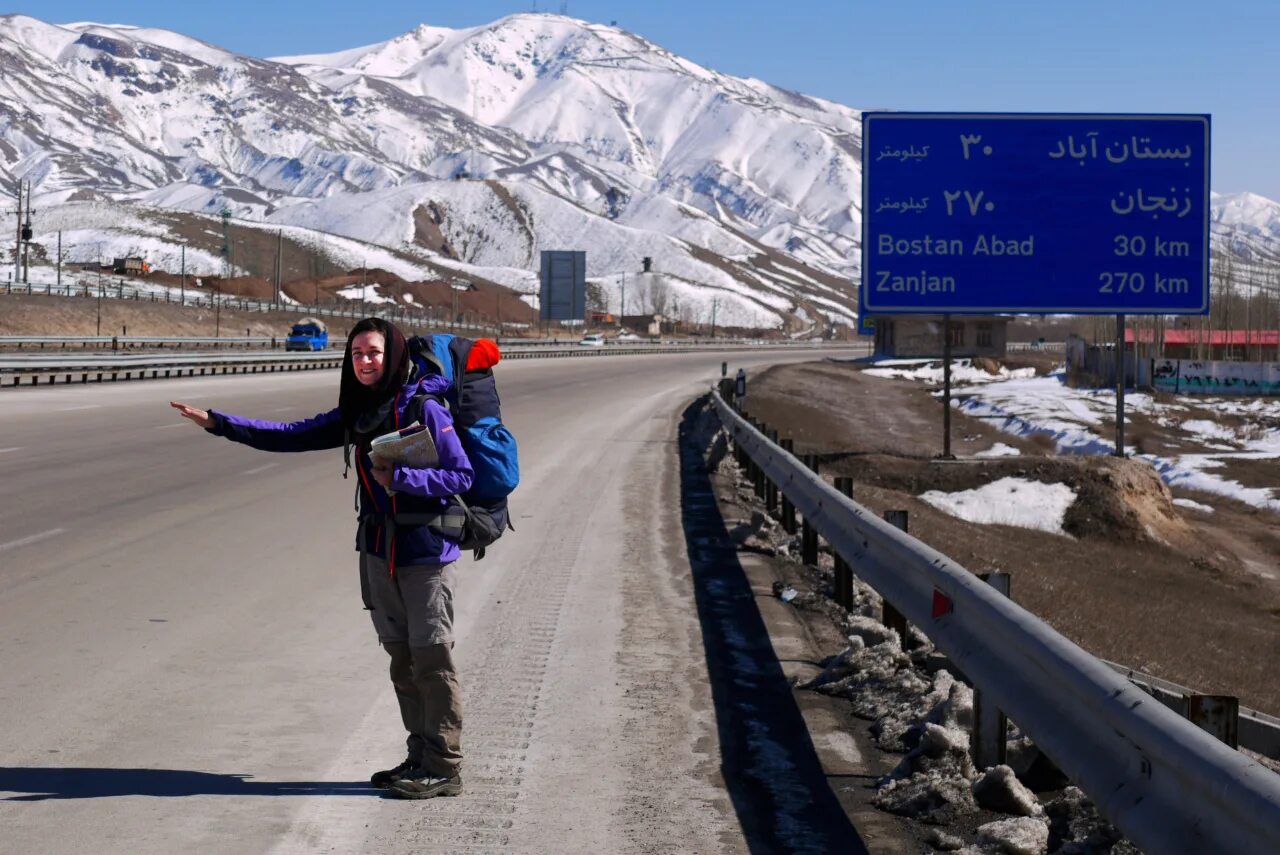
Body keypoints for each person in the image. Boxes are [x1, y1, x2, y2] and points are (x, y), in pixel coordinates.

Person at [170, 317, 473, 800]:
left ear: (392, 355)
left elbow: (461, 477)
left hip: (426, 551)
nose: (365, 361)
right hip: (379, 550)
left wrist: (402, 481)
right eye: (356, 354)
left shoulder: (424, 407)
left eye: (373, 352)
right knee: (402, 659)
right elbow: (290, 434)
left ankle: (444, 766)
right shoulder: (359, 411)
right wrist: (220, 423)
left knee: (432, 658)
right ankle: (419, 755)